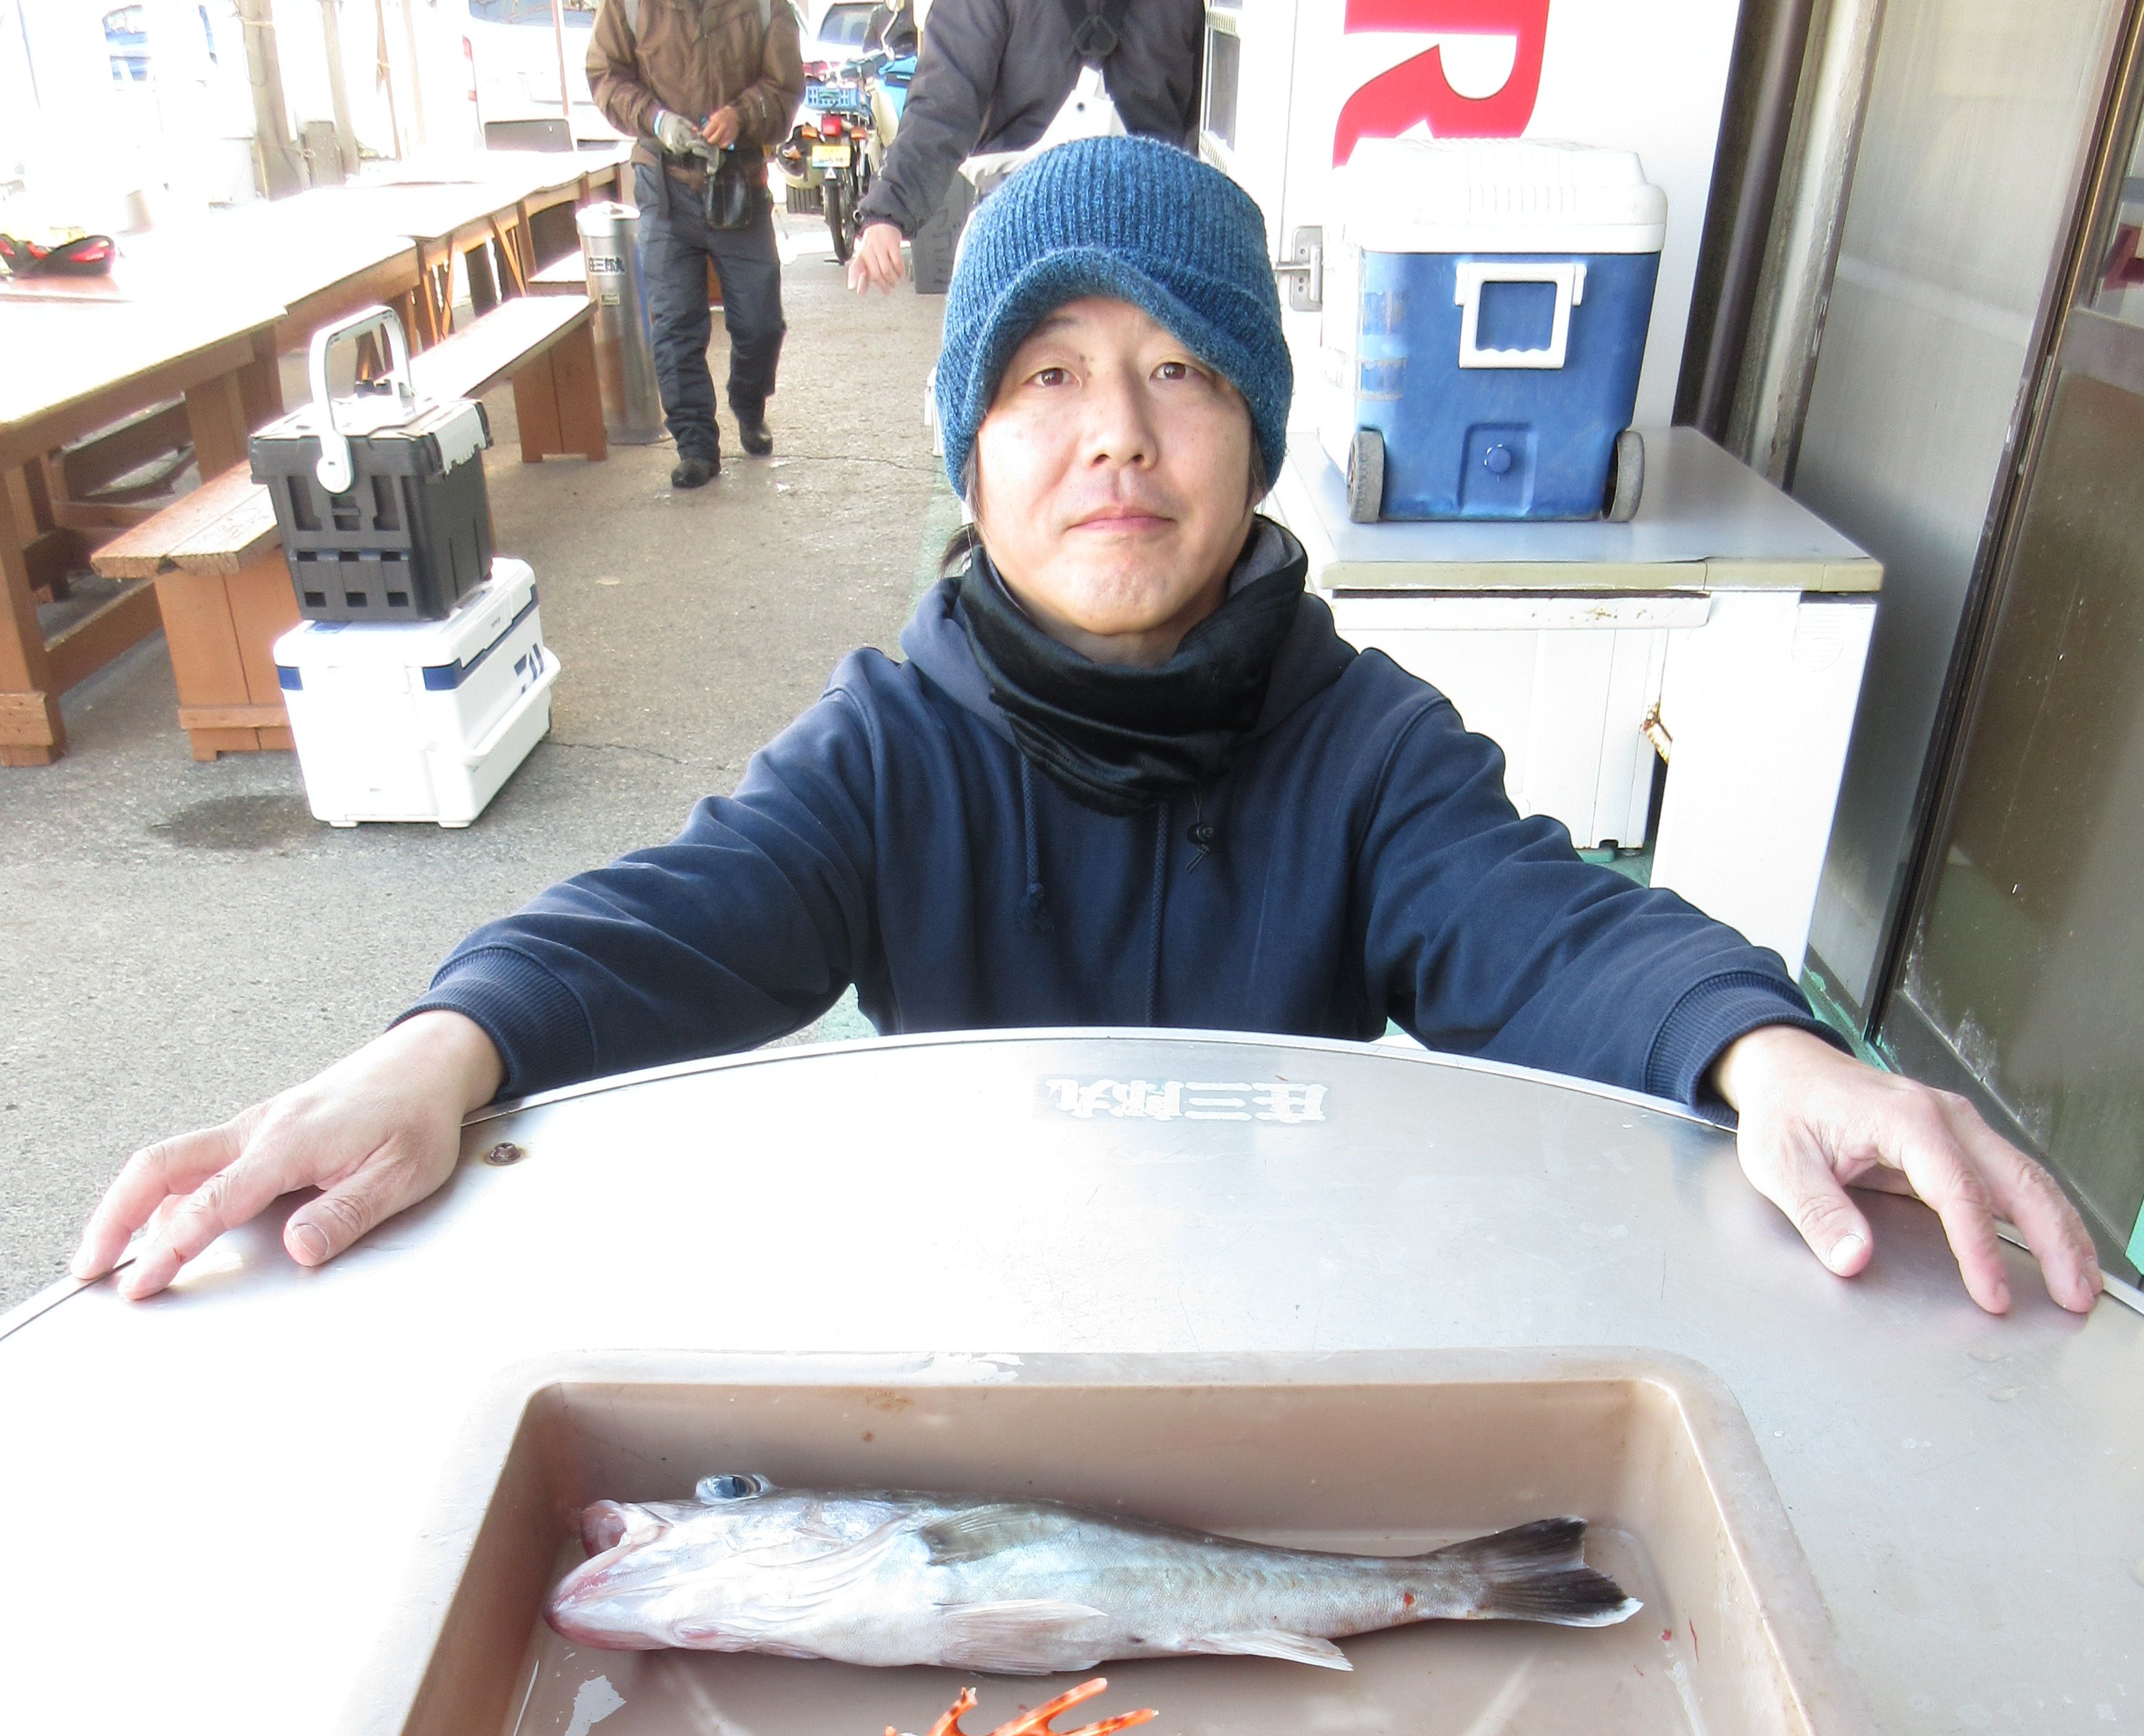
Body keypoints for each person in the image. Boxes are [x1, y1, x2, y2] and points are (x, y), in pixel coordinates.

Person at [74, 140, 2099, 1320]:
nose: (1115, 432)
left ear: (1256, 435)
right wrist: (435, 1053)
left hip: (1287, 1322)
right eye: (1045, 373)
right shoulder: (888, 748)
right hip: (968, 1321)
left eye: (1181, 367)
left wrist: (1762, 1050)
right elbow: (688, 903)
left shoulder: (1369, 747)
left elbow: (1545, 919)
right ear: (968, 454)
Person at [585, 0, 804, 484]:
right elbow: (605, 74)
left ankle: (749, 403)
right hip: (663, 184)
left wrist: (742, 115)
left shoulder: (765, 5)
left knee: (761, 321)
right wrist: (656, 119)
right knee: (675, 325)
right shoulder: (628, 5)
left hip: (738, 183)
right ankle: (696, 445)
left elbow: (786, 85)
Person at [847, 0, 1201, 296]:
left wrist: (888, 212)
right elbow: (1203, 123)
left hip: (1017, 230)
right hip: (1151, 236)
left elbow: (943, 104)